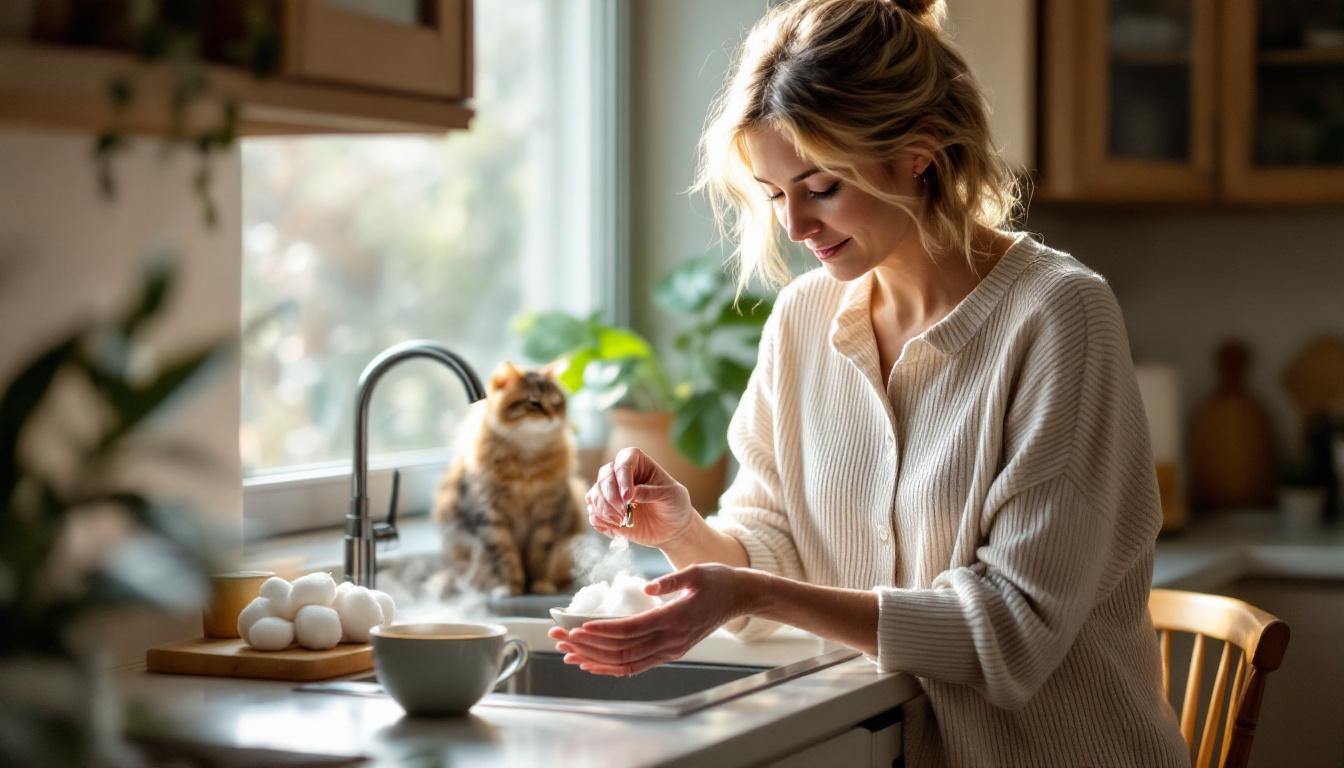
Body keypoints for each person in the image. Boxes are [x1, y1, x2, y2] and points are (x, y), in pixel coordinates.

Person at [549, 0, 1189, 764]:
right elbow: (769, 554)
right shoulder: (802, 318)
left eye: (820, 187)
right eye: (774, 194)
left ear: (917, 153)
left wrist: (753, 592)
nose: (794, 226)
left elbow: (1011, 630)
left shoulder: (1057, 315)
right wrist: (681, 530)